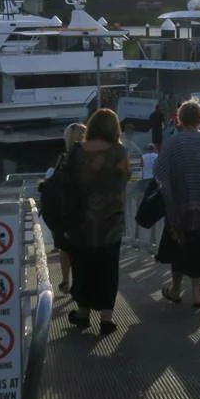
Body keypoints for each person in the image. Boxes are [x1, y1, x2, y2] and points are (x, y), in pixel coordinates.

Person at [67, 108, 131, 335]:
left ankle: (82, 313)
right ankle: (106, 318)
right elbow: (125, 181)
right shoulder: (120, 152)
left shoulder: (76, 151)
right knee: (108, 267)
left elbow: (69, 183)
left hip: (81, 221)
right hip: (111, 221)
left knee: (82, 265)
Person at [154, 98, 200, 308]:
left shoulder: (174, 141)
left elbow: (160, 170)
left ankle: (175, 290)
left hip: (179, 202)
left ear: (180, 119)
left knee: (179, 246)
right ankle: (198, 294)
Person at [46, 122, 87, 293]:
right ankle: (81, 282)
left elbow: (49, 180)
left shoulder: (61, 158)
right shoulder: (86, 158)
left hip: (62, 213)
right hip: (81, 212)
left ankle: (65, 281)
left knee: (65, 248)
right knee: (81, 250)